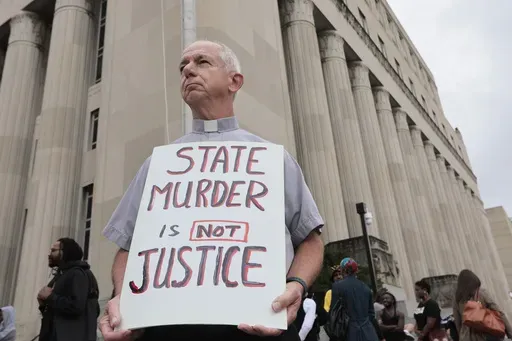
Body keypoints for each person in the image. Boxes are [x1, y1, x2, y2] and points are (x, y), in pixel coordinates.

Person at [99, 40, 325, 341]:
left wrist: (296, 285)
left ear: (235, 81)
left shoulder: (270, 158)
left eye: (201, 62)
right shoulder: (159, 163)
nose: (188, 71)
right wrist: (123, 298)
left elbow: (310, 240)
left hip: (258, 329)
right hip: (168, 330)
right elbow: (127, 247)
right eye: (183, 67)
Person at [37, 238, 100, 341]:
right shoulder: (62, 275)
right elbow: (56, 314)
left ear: (65, 252)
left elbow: (76, 306)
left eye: (53, 251)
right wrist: (43, 305)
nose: (49, 254)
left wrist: (51, 297)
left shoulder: (78, 274)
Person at [330, 258, 382, 341]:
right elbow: (371, 314)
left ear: (342, 270)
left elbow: (333, 313)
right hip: (369, 333)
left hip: (349, 333)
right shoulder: (366, 288)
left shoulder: (337, 286)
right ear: (356, 270)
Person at [453, 269, 512, 341]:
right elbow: (499, 313)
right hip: (486, 335)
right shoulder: (482, 293)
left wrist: (462, 334)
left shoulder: (457, 299)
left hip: (467, 337)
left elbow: (458, 323)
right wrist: (510, 333)